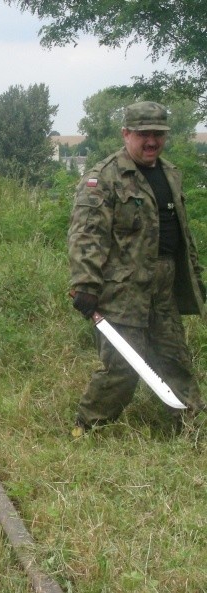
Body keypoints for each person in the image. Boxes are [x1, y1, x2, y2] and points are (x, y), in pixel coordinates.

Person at [68, 101, 206, 437]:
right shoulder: (103, 177)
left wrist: (197, 278)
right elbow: (87, 234)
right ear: (126, 133)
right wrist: (85, 284)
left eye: (158, 134)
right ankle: (87, 429)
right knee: (122, 367)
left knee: (175, 359)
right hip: (123, 289)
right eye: (143, 133)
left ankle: (192, 428)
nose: (151, 141)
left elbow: (181, 234)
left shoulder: (170, 174)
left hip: (164, 286)